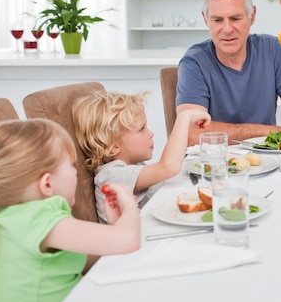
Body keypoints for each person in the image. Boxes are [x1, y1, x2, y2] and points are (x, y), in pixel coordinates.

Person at [0, 119, 140, 302]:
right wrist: (129, 203)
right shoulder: (38, 217)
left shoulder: (8, 219)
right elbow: (129, 240)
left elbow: (95, 252)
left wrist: (113, 226)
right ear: (47, 184)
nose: (76, 173)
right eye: (71, 166)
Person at [176, 0, 281, 146]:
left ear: (252, 15)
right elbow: (192, 134)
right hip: (216, 165)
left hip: (269, 164)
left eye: (235, 18)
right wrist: (264, 132)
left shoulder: (271, 49)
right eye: (217, 20)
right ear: (206, 19)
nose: (227, 29)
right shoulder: (194, 63)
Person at [72, 91, 210, 223]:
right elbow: (168, 167)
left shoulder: (134, 167)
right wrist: (184, 118)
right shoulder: (112, 176)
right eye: (141, 129)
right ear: (113, 146)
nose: (151, 134)